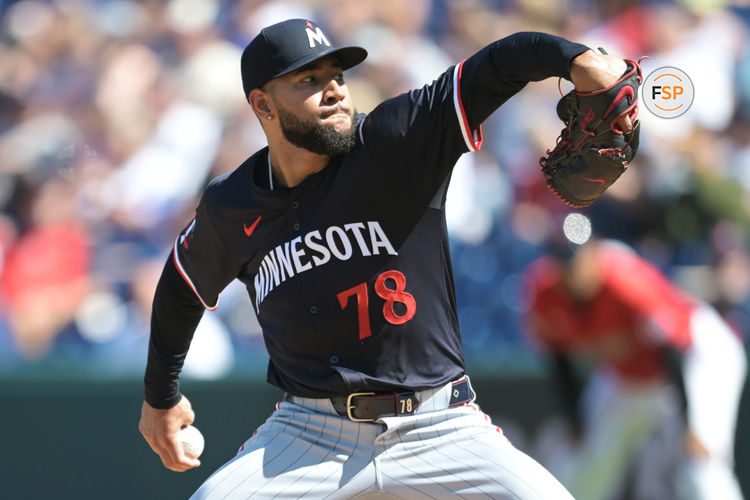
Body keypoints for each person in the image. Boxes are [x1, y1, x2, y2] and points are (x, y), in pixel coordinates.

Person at [138, 18, 635, 499]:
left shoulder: (395, 141)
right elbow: (182, 287)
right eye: (309, 79)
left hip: (440, 423)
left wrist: (575, 59)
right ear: (262, 103)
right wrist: (160, 397)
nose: (334, 90)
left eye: (337, 76)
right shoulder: (234, 205)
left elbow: (498, 65)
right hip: (311, 431)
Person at [523, 238, 747, 500]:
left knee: (700, 466)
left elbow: (672, 348)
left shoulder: (625, 280)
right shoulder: (546, 291)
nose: (573, 272)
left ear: (594, 255)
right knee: (587, 467)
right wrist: (576, 422)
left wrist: (690, 424)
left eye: (578, 261)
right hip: (629, 374)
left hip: (699, 357)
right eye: (565, 264)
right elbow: (558, 358)